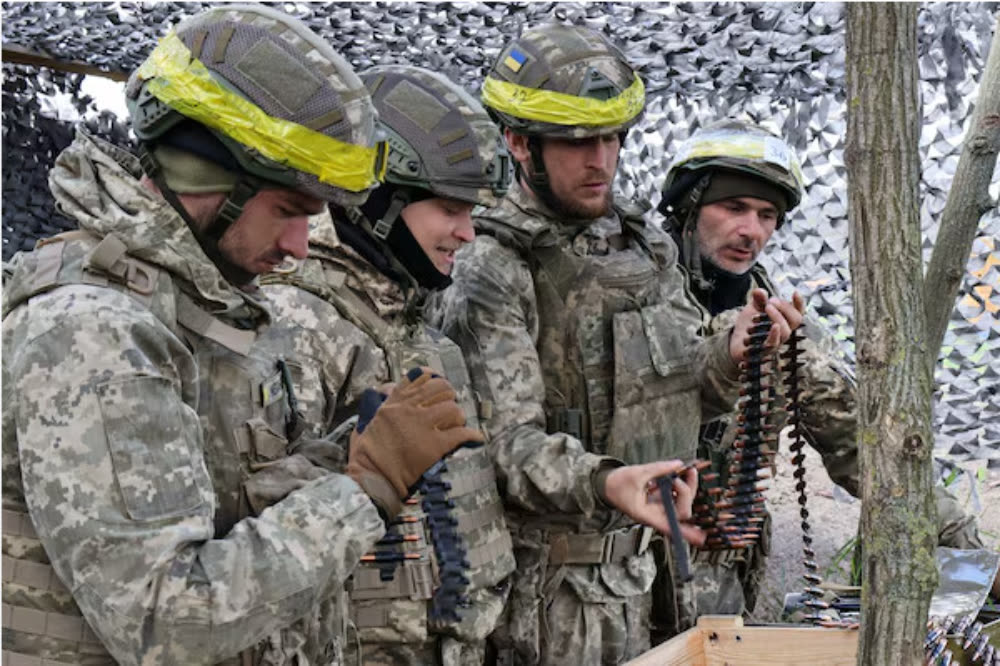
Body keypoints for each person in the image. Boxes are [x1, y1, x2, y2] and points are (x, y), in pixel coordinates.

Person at [1, 6, 476, 664]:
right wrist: (366, 486)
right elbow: (169, 620)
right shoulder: (93, 332)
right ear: (207, 178)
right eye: (287, 211)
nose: (300, 245)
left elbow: (234, 505)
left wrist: (351, 450)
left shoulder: (204, 306)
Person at [427, 24, 805, 665]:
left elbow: (680, 390)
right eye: (577, 142)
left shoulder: (642, 245)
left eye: (611, 138)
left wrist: (733, 353)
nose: (600, 160)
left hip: (651, 578)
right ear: (520, 142)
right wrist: (607, 481)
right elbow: (502, 448)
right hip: (550, 603)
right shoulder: (491, 264)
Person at [657, 117, 990, 620]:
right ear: (689, 204)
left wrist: (972, 552)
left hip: (715, 594)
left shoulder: (782, 329)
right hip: (613, 586)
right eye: (733, 207)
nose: (751, 231)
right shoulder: (630, 302)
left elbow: (867, 450)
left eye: (767, 215)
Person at [258, 64, 518, 665]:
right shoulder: (300, 324)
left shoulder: (417, 331)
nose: (468, 232)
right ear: (378, 200)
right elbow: (271, 540)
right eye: (450, 209)